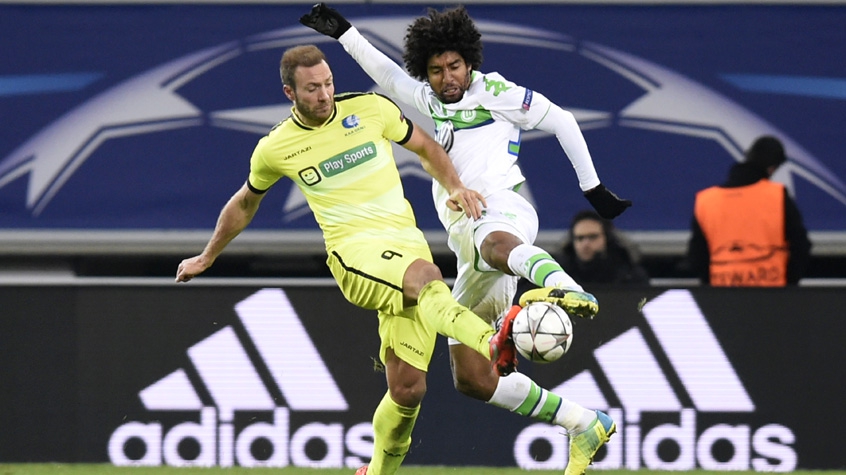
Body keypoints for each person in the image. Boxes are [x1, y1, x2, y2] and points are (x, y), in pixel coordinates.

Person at [300, 5, 624, 474]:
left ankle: (566, 287)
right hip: (467, 245)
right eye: (436, 70)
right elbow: (387, 75)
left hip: (504, 211)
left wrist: (592, 187)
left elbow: (564, 121)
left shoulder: (496, 91)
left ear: (469, 61)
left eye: (454, 66)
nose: (447, 77)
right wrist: (345, 33)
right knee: (472, 378)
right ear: (426, 72)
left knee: (494, 243)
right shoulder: (431, 101)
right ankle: (583, 422)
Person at [175, 44, 520, 475]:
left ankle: (375, 472)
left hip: (405, 244)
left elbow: (426, 146)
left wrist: (454, 186)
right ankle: (491, 340)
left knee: (408, 390)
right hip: (355, 254)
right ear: (290, 93)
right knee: (429, 277)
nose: (324, 95)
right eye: (312, 89)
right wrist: (208, 256)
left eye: (328, 84)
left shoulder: (371, 109)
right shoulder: (276, 148)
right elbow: (245, 203)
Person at [686, 135, 811, 286]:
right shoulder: (777, 196)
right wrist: (788, 285)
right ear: (772, 168)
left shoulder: (707, 200)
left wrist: (713, 287)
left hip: (723, 298)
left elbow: (697, 256)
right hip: (772, 298)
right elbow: (801, 246)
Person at [561, 210, 650, 285]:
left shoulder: (630, 275)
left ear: (607, 238)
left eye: (593, 237)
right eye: (580, 238)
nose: (585, 244)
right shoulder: (559, 276)